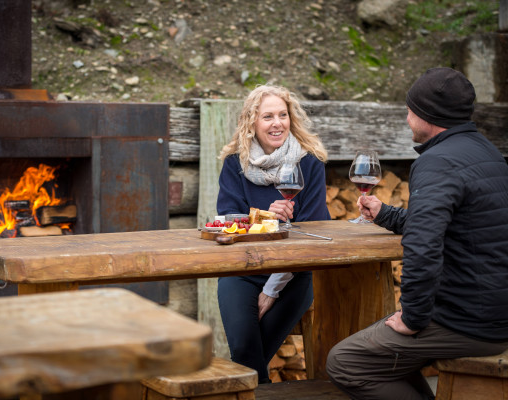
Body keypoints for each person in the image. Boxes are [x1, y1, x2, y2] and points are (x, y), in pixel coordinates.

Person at [326, 67, 508, 400]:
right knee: (383, 349)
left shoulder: (437, 162)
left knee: (345, 361)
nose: (408, 117)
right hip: (494, 309)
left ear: (429, 115)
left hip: (470, 322)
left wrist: (413, 318)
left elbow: (423, 247)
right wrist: (387, 214)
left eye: (412, 109)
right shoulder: (488, 153)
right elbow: (455, 227)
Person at [216, 85, 330, 383]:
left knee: (247, 359)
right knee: (245, 351)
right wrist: (268, 215)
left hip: (292, 274)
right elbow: (229, 221)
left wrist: (272, 289)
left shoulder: (309, 163)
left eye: (283, 115)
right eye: (267, 116)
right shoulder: (235, 164)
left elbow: (312, 230)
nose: (277, 123)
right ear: (252, 122)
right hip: (241, 269)